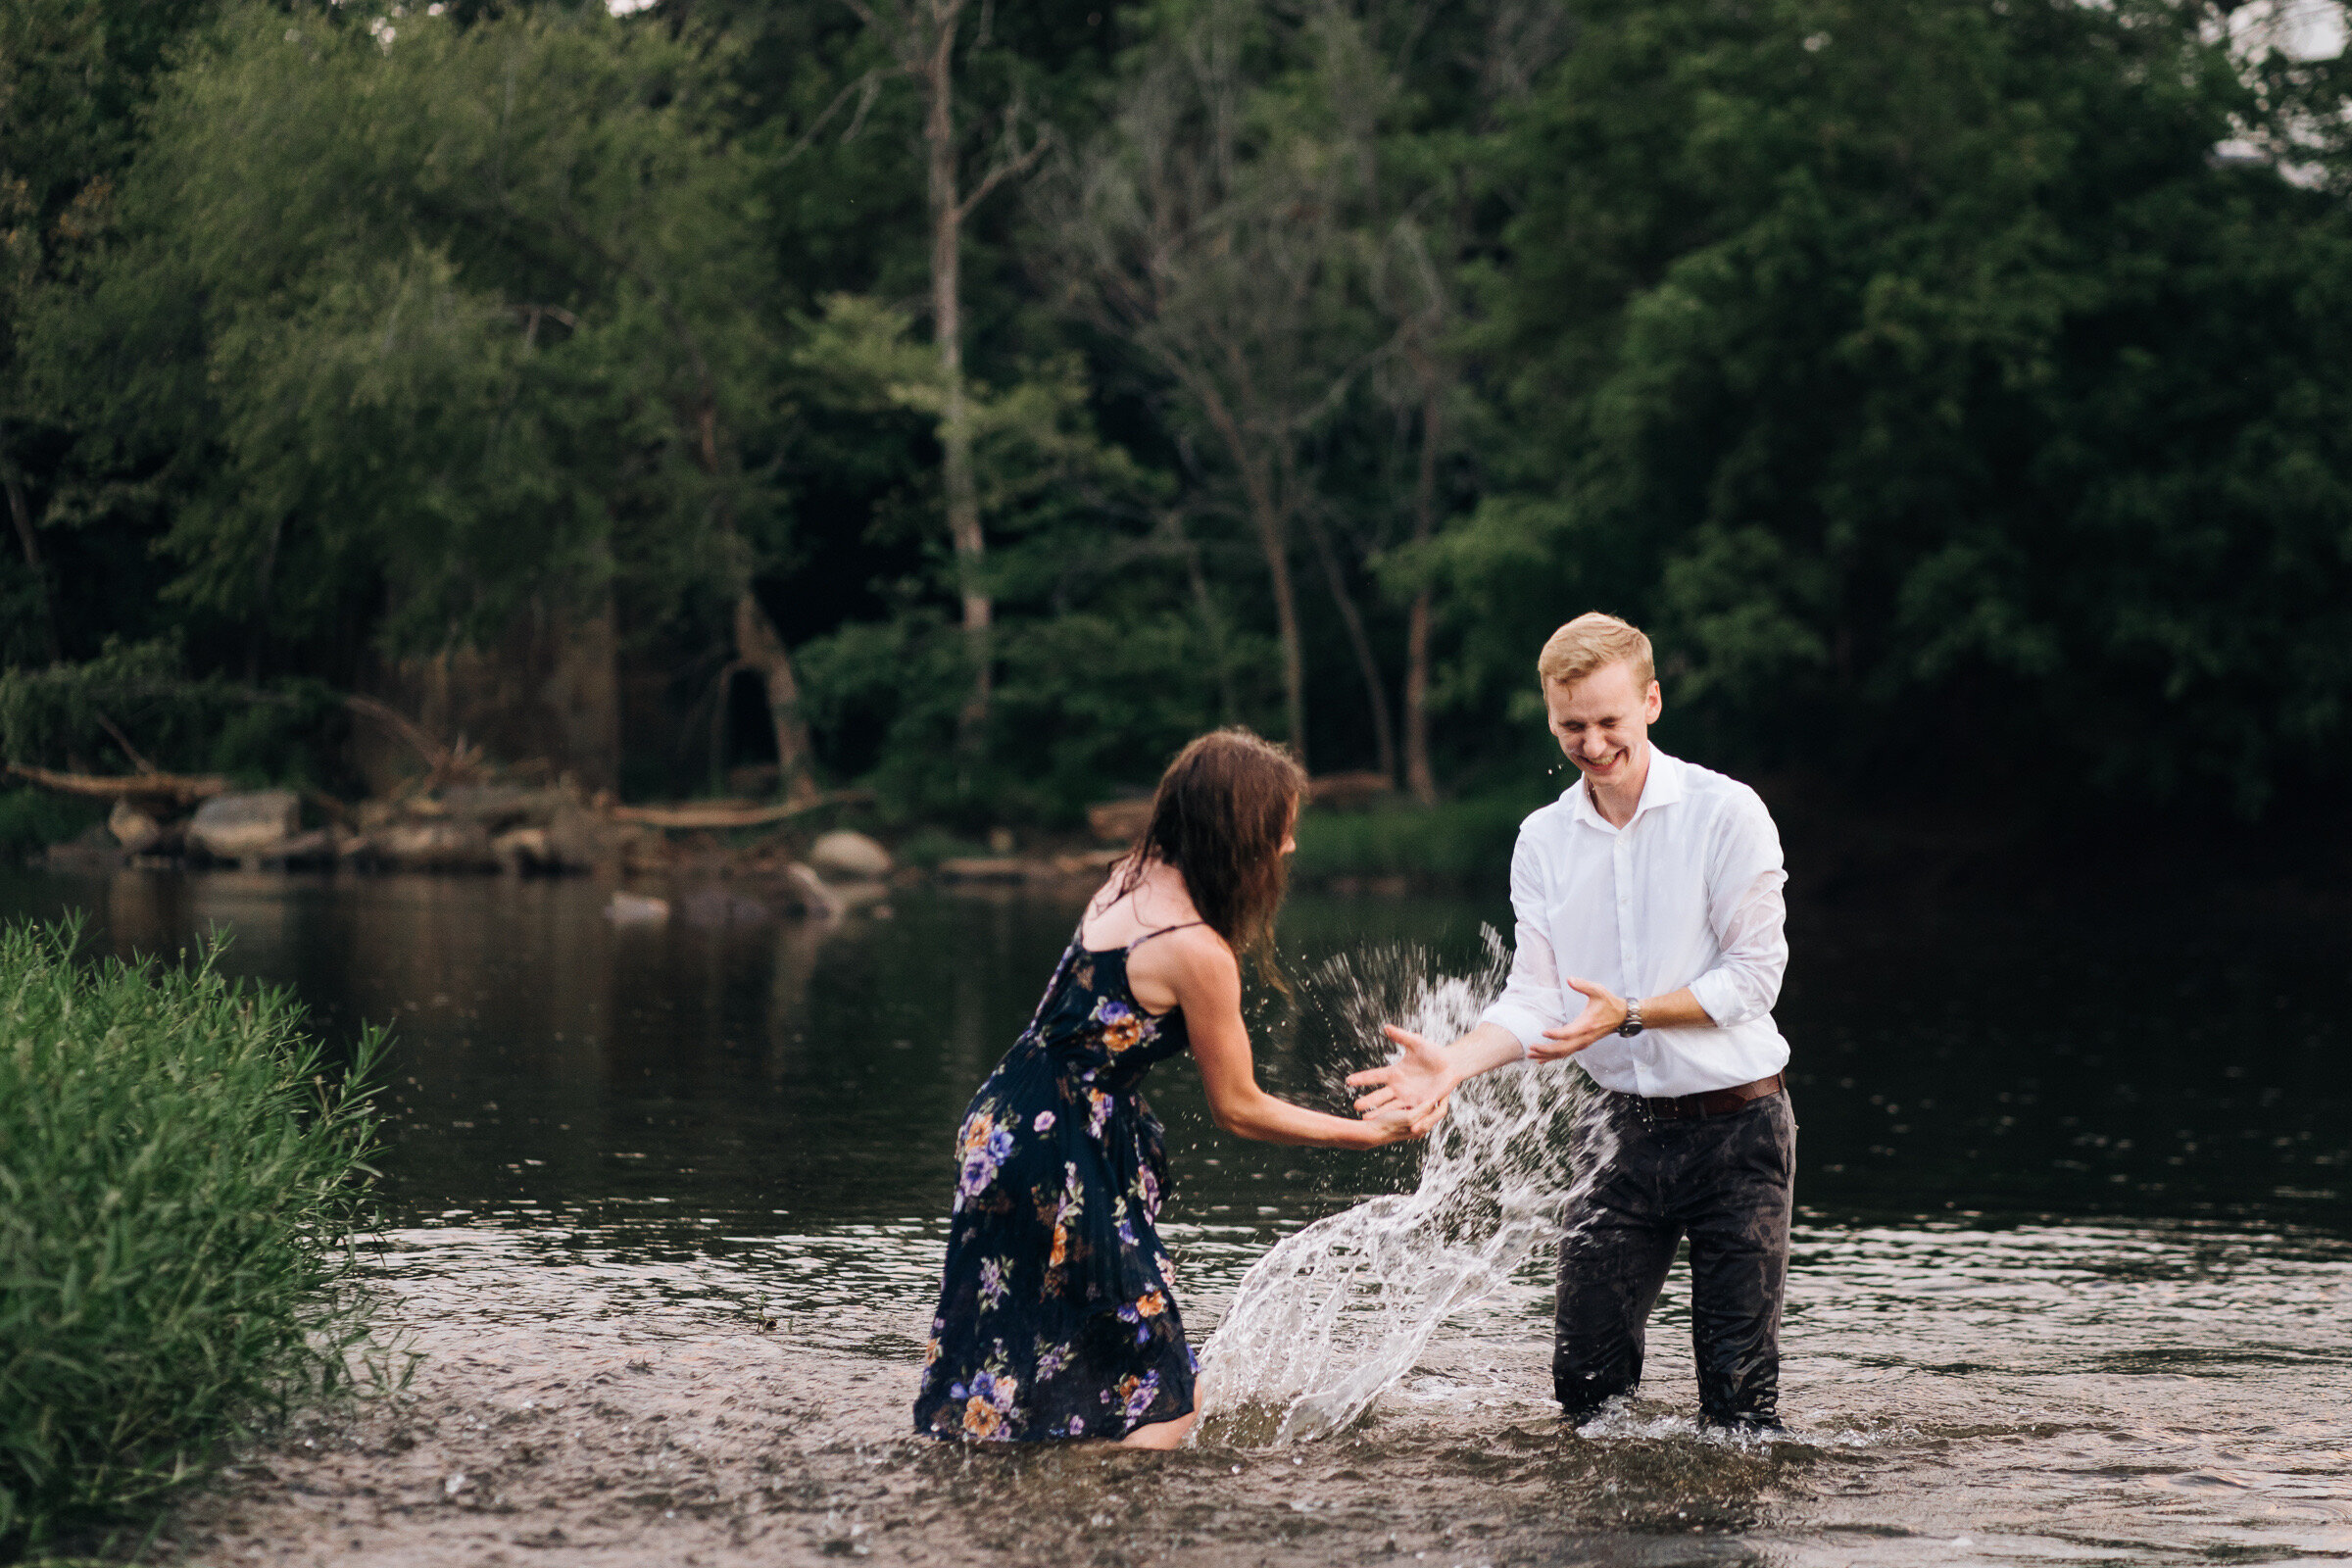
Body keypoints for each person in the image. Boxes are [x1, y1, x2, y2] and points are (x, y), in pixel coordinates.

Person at [913, 727, 1428, 1448]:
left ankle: (1014, 1507)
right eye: (1280, 832)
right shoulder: (1197, 949)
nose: (1288, 849)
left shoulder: (1134, 872)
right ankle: (1110, 1534)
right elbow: (1239, 1109)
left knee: (1024, 1348)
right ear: (1240, 834)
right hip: (1057, 1151)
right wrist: (1367, 1132)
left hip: (1004, 1122)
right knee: (1165, 1401)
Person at [1349, 612, 1795, 1430]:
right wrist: (1453, 1062)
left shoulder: (1726, 813)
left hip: (1738, 1127)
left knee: (1738, 1405)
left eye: (1608, 722)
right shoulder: (1544, 838)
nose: (1591, 744)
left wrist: (1629, 1013)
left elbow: (1754, 979)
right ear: (1551, 717)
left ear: (1652, 702)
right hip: (1619, 1133)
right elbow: (1536, 998)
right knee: (1585, 1389)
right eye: (1571, 726)